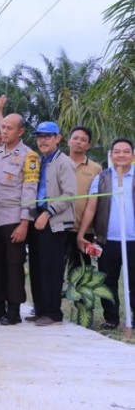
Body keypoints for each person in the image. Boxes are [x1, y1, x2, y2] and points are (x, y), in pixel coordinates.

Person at [0, 111, 39, 325]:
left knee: (14, 266)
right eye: (3, 127)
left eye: (9, 128)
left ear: (20, 131)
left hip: (13, 220)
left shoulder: (29, 156)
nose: (4, 131)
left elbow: (30, 190)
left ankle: (14, 310)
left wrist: (25, 222)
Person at [78, 138, 135, 330]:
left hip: (133, 241)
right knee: (107, 282)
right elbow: (91, 208)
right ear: (111, 155)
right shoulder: (102, 178)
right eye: (117, 151)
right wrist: (82, 233)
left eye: (126, 151)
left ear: (133, 155)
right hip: (107, 241)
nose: (121, 155)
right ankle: (111, 318)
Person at [26, 122, 76, 326]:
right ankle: (40, 310)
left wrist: (48, 213)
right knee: (36, 267)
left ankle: (53, 313)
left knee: (51, 269)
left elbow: (70, 194)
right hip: (36, 217)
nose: (43, 140)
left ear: (58, 138)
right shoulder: (39, 160)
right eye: (39, 137)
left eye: (48, 136)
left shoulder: (64, 162)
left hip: (53, 221)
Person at [66, 126, 102, 268]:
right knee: (57, 276)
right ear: (68, 141)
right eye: (75, 138)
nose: (78, 142)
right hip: (59, 230)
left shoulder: (96, 169)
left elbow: (94, 202)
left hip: (83, 230)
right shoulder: (58, 163)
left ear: (88, 145)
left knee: (80, 276)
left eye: (83, 140)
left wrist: (83, 232)